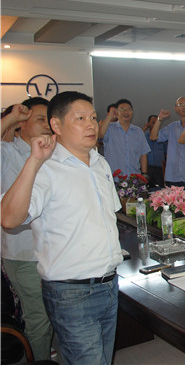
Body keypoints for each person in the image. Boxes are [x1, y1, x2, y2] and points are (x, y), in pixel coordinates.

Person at [1, 91, 123, 364]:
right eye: (80, 118)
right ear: (56, 125)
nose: (91, 124)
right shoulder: (45, 168)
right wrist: (34, 161)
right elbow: (8, 218)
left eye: (93, 117)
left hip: (108, 284)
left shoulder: (99, 162)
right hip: (72, 292)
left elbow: (106, 219)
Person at [1, 97, 54, 360]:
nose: (47, 125)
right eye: (40, 119)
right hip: (23, 254)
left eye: (49, 120)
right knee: (39, 318)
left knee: (54, 314)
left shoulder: (52, 153)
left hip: (52, 250)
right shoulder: (8, 152)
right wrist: (11, 117)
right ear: (22, 124)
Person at [150, 97, 185, 192]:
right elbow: (153, 137)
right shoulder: (172, 126)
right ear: (176, 109)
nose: (184, 107)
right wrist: (160, 119)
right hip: (172, 175)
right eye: (181, 105)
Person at [98, 98, 150, 177]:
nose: (126, 112)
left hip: (134, 177)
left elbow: (143, 154)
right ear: (116, 112)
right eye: (122, 109)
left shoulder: (138, 131)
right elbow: (100, 135)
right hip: (113, 177)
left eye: (129, 109)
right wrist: (110, 116)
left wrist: (144, 173)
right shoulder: (109, 128)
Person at [143, 115, 166, 188]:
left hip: (160, 168)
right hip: (148, 168)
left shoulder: (162, 136)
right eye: (153, 122)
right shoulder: (144, 135)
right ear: (148, 123)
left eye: (157, 123)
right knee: (146, 188)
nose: (155, 125)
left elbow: (166, 152)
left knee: (161, 188)